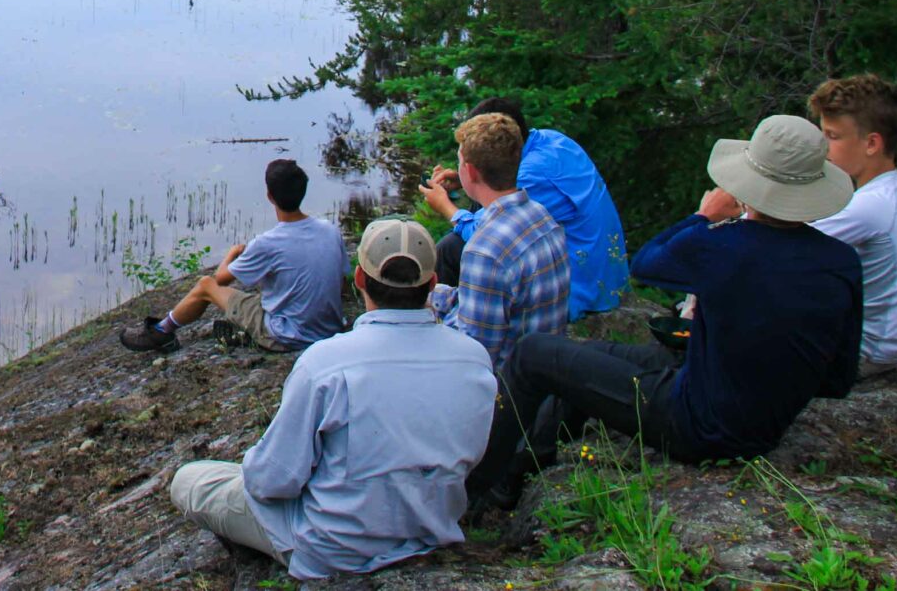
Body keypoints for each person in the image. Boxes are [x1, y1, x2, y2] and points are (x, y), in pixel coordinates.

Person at [466, 115, 863, 505]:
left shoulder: (723, 245)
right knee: (584, 357)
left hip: (698, 424)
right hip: (758, 421)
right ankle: (528, 464)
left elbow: (649, 263)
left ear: (749, 187)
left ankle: (477, 489)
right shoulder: (842, 261)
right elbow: (838, 379)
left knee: (535, 353)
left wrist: (704, 216)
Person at [167, 218, 497, 579]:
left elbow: (270, 482)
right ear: (432, 284)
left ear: (359, 280)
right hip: (430, 530)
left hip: (334, 550)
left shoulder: (325, 363)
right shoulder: (474, 358)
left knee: (190, 480)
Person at [420, 98, 629, 320]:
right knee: (460, 232)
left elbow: (489, 235)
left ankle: (445, 321)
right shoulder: (551, 140)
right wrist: (467, 179)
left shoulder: (530, 176)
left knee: (449, 248)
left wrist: (446, 206)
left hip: (579, 286)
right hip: (603, 267)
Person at [121, 159, 346, 353]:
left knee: (205, 285)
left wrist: (231, 254)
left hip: (289, 336)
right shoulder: (329, 230)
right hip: (330, 329)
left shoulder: (268, 243)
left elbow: (221, 279)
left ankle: (161, 331)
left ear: (270, 196)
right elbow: (340, 277)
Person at [806, 75, 897, 377]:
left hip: (868, 352)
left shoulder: (871, 206)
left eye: (833, 136)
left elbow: (775, 245)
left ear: (871, 144)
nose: (822, 146)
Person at [426, 113, 570, 370]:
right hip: (546, 366)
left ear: (469, 171)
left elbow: (472, 354)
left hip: (508, 387)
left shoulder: (484, 250)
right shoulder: (541, 215)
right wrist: (428, 294)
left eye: (459, 162)